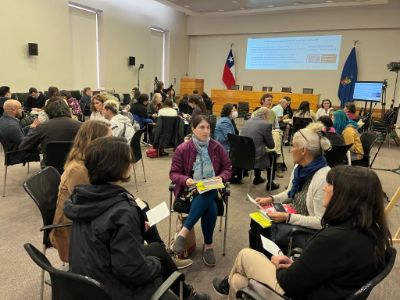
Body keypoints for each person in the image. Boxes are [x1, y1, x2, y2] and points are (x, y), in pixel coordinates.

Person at [213, 165, 392, 300]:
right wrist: (297, 265)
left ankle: (225, 285)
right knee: (237, 281)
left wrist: (279, 266)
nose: (324, 188)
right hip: (328, 290)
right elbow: (328, 268)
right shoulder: (373, 232)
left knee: (245, 255)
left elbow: (289, 284)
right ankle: (229, 285)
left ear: (344, 195)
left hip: (298, 294)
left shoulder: (333, 238)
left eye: (329, 185)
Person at [64, 136, 210, 300]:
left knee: (156, 249)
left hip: (85, 279)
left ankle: (189, 295)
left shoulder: (81, 196)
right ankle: (187, 295)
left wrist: (133, 230)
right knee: (159, 262)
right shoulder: (123, 211)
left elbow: (102, 233)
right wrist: (157, 265)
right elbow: (131, 271)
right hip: (112, 290)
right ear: (119, 167)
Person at [170, 115, 231, 267]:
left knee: (208, 189)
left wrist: (220, 179)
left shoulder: (217, 147)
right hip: (189, 191)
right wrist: (186, 180)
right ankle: (208, 245)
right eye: (201, 127)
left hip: (212, 189)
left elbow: (227, 169)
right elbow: (174, 173)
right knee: (211, 207)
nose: (206, 131)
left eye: (208, 127)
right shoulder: (183, 149)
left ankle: (184, 233)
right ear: (193, 129)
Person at [50, 120, 112, 262]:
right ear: (95, 142)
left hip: (83, 221)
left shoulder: (88, 162)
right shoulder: (79, 170)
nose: (112, 144)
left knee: (138, 208)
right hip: (72, 231)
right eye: (108, 140)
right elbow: (90, 208)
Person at [254, 122, 331, 229]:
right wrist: (271, 199)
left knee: (264, 228)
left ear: (303, 150)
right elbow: (289, 194)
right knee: (257, 221)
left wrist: (288, 217)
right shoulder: (299, 168)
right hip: (292, 214)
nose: (291, 151)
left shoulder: (323, 177)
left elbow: (320, 222)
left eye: (294, 146)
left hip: (305, 228)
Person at [240, 107, 278, 190]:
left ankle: (257, 177)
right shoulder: (266, 125)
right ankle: (270, 183)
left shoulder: (248, 121)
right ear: (266, 115)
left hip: (244, 157)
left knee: (257, 148)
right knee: (273, 155)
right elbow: (271, 146)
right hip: (256, 158)